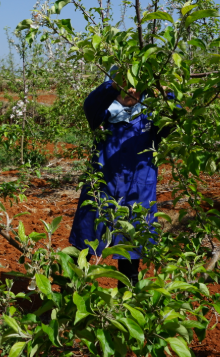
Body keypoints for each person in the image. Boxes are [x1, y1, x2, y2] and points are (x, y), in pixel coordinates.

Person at [68, 68, 172, 286]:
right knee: (82, 251)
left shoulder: (152, 121)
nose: (130, 91)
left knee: (130, 259)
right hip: (100, 192)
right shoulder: (103, 116)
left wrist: (165, 94)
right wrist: (112, 86)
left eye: (136, 86)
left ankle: (127, 307)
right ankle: (70, 300)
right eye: (124, 86)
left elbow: (175, 118)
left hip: (137, 194)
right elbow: (91, 105)